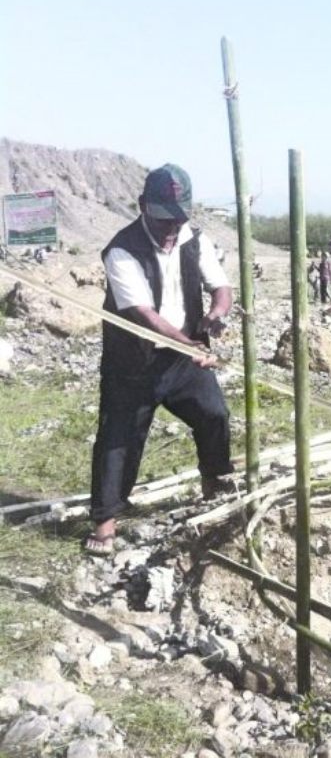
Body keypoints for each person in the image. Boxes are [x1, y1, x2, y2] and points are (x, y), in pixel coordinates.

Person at [85, 164, 234, 555]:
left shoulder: (193, 238)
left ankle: (215, 486)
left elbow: (221, 287)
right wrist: (191, 344)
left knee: (213, 414)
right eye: (165, 219)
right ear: (143, 207)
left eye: (179, 218)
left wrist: (215, 317)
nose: (172, 229)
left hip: (184, 358)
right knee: (118, 440)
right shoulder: (121, 250)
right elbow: (144, 315)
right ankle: (105, 523)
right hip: (133, 363)